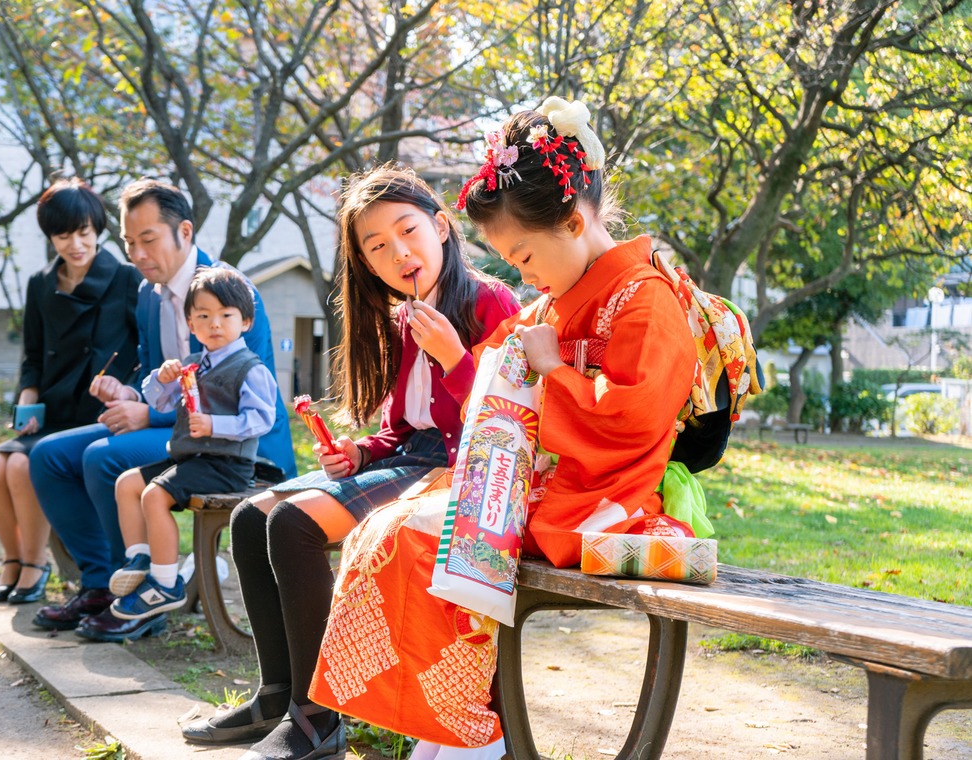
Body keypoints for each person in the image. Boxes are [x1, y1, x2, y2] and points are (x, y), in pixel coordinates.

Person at [307, 98, 698, 758]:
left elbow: (630, 415)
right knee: (390, 528)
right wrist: (494, 363)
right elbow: (491, 366)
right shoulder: (557, 297)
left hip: (602, 495)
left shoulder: (645, 297)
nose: (522, 276)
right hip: (544, 482)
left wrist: (549, 372)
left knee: (427, 538)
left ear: (573, 222)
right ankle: (444, 726)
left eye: (523, 257)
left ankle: (473, 737)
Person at [179, 165, 520, 760]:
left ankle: (317, 721)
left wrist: (456, 359)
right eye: (377, 247)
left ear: (442, 227)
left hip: (456, 467)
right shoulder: (400, 317)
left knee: (293, 525)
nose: (398, 253)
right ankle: (277, 695)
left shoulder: (489, 301)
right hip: (412, 456)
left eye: (408, 231)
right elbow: (401, 425)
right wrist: (361, 450)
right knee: (250, 519)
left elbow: (505, 425)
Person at [29, 178, 296, 643]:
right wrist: (130, 394)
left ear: (185, 232)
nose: (137, 254)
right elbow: (159, 375)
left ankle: (148, 595)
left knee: (103, 457)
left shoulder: (230, 293)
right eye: (129, 243)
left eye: (148, 240)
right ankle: (101, 585)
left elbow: (230, 392)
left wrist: (146, 416)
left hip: (231, 441)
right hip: (179, 427)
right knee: (48, 456)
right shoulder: (148, 295)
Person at [0, 178, 141, 605]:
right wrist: (27, 398)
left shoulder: (125, 279)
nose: (76, 244)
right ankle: (13, 560)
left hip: (99, 413)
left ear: (98, 230)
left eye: (84, 232)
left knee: (19, 467)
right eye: (64, 235)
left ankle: (35, 566)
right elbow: (33, 355)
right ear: (51, 236)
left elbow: (144, 351)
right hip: (50, 410)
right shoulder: (40, 283)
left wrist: (127, 391)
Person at [107, 267, 278, 620]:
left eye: (225, 315)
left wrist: (214, 423)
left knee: (154, 495)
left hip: (226, 466)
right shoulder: (191, 366)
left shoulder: (250, 368)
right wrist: (161, 378)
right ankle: (139, 559)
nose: (215, 324)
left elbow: (262, 419)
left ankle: (165, 582)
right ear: (190, 323)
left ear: (245, 321)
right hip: (191, 462)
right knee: (127, 483)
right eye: (203, 315)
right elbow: (159, 402)